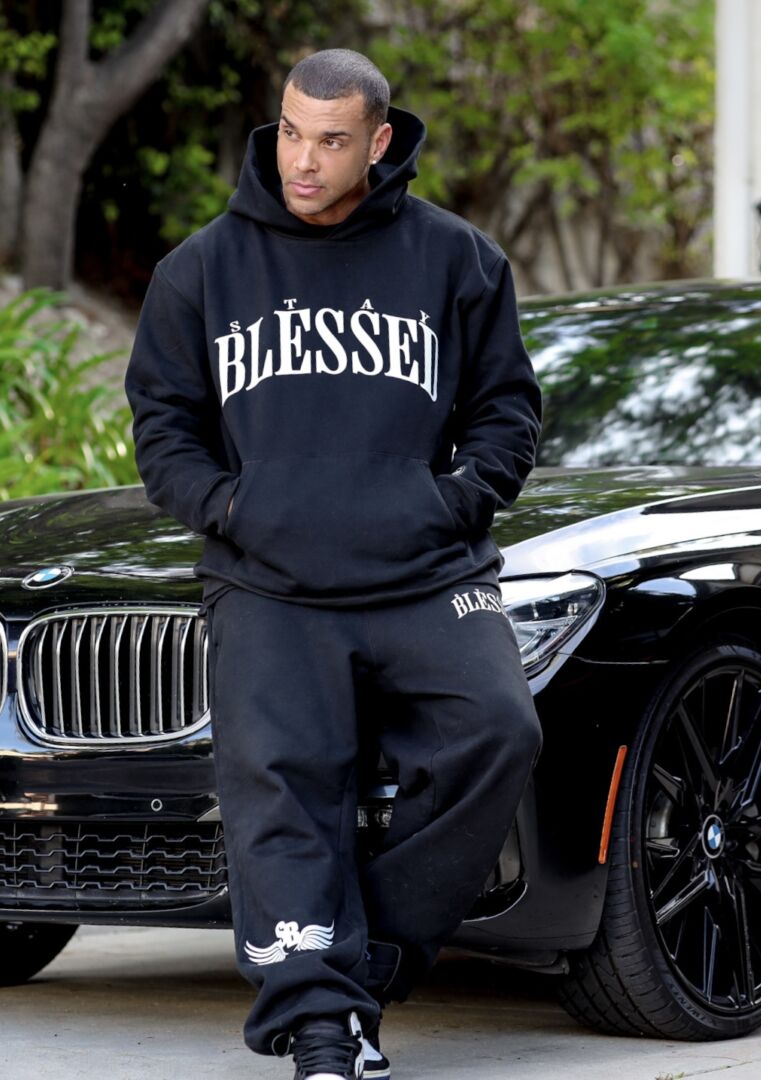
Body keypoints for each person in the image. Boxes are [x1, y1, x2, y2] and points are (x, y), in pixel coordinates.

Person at [124, 47, 543, 1080]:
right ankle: (319, 1025)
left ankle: (370, 958)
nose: (303, 161)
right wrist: (229, 508)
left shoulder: (458, 258)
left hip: (427, 571)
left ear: (379, 141)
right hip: (267, 579)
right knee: (282, 789)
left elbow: (506, 410)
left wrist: (451, 504)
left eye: (332, 140)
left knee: (499, 731)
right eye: (292, 134)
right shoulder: (202, 269)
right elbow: (164, 427)